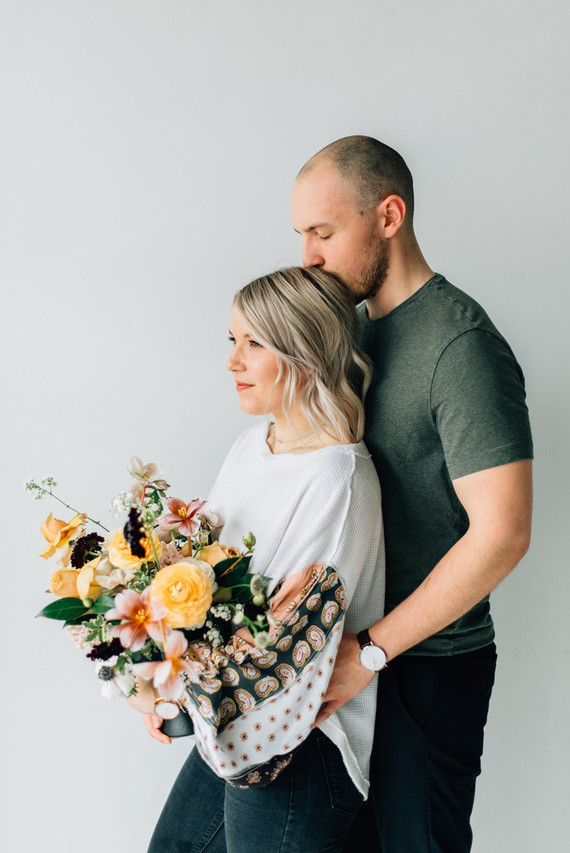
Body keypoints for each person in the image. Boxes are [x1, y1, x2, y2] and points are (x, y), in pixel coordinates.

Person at [290, 135, 534, 852]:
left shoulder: (461, 347)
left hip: (426, 669)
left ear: (388, 216)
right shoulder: (356, 332)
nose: (309, 255)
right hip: (347, 659)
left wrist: (370, 652)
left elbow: (503, 533)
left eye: (324, 232)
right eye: (302, 234)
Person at [129, 266, 386, 852]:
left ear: (304, 352)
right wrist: (157, 674)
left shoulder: (337, 480)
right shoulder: (254, 445)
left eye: (254, 344)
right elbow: (204, 580)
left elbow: (275, 638)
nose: (232, 362)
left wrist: (177, 690)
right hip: (237, 719)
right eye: (232, 341)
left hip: (300, 744)